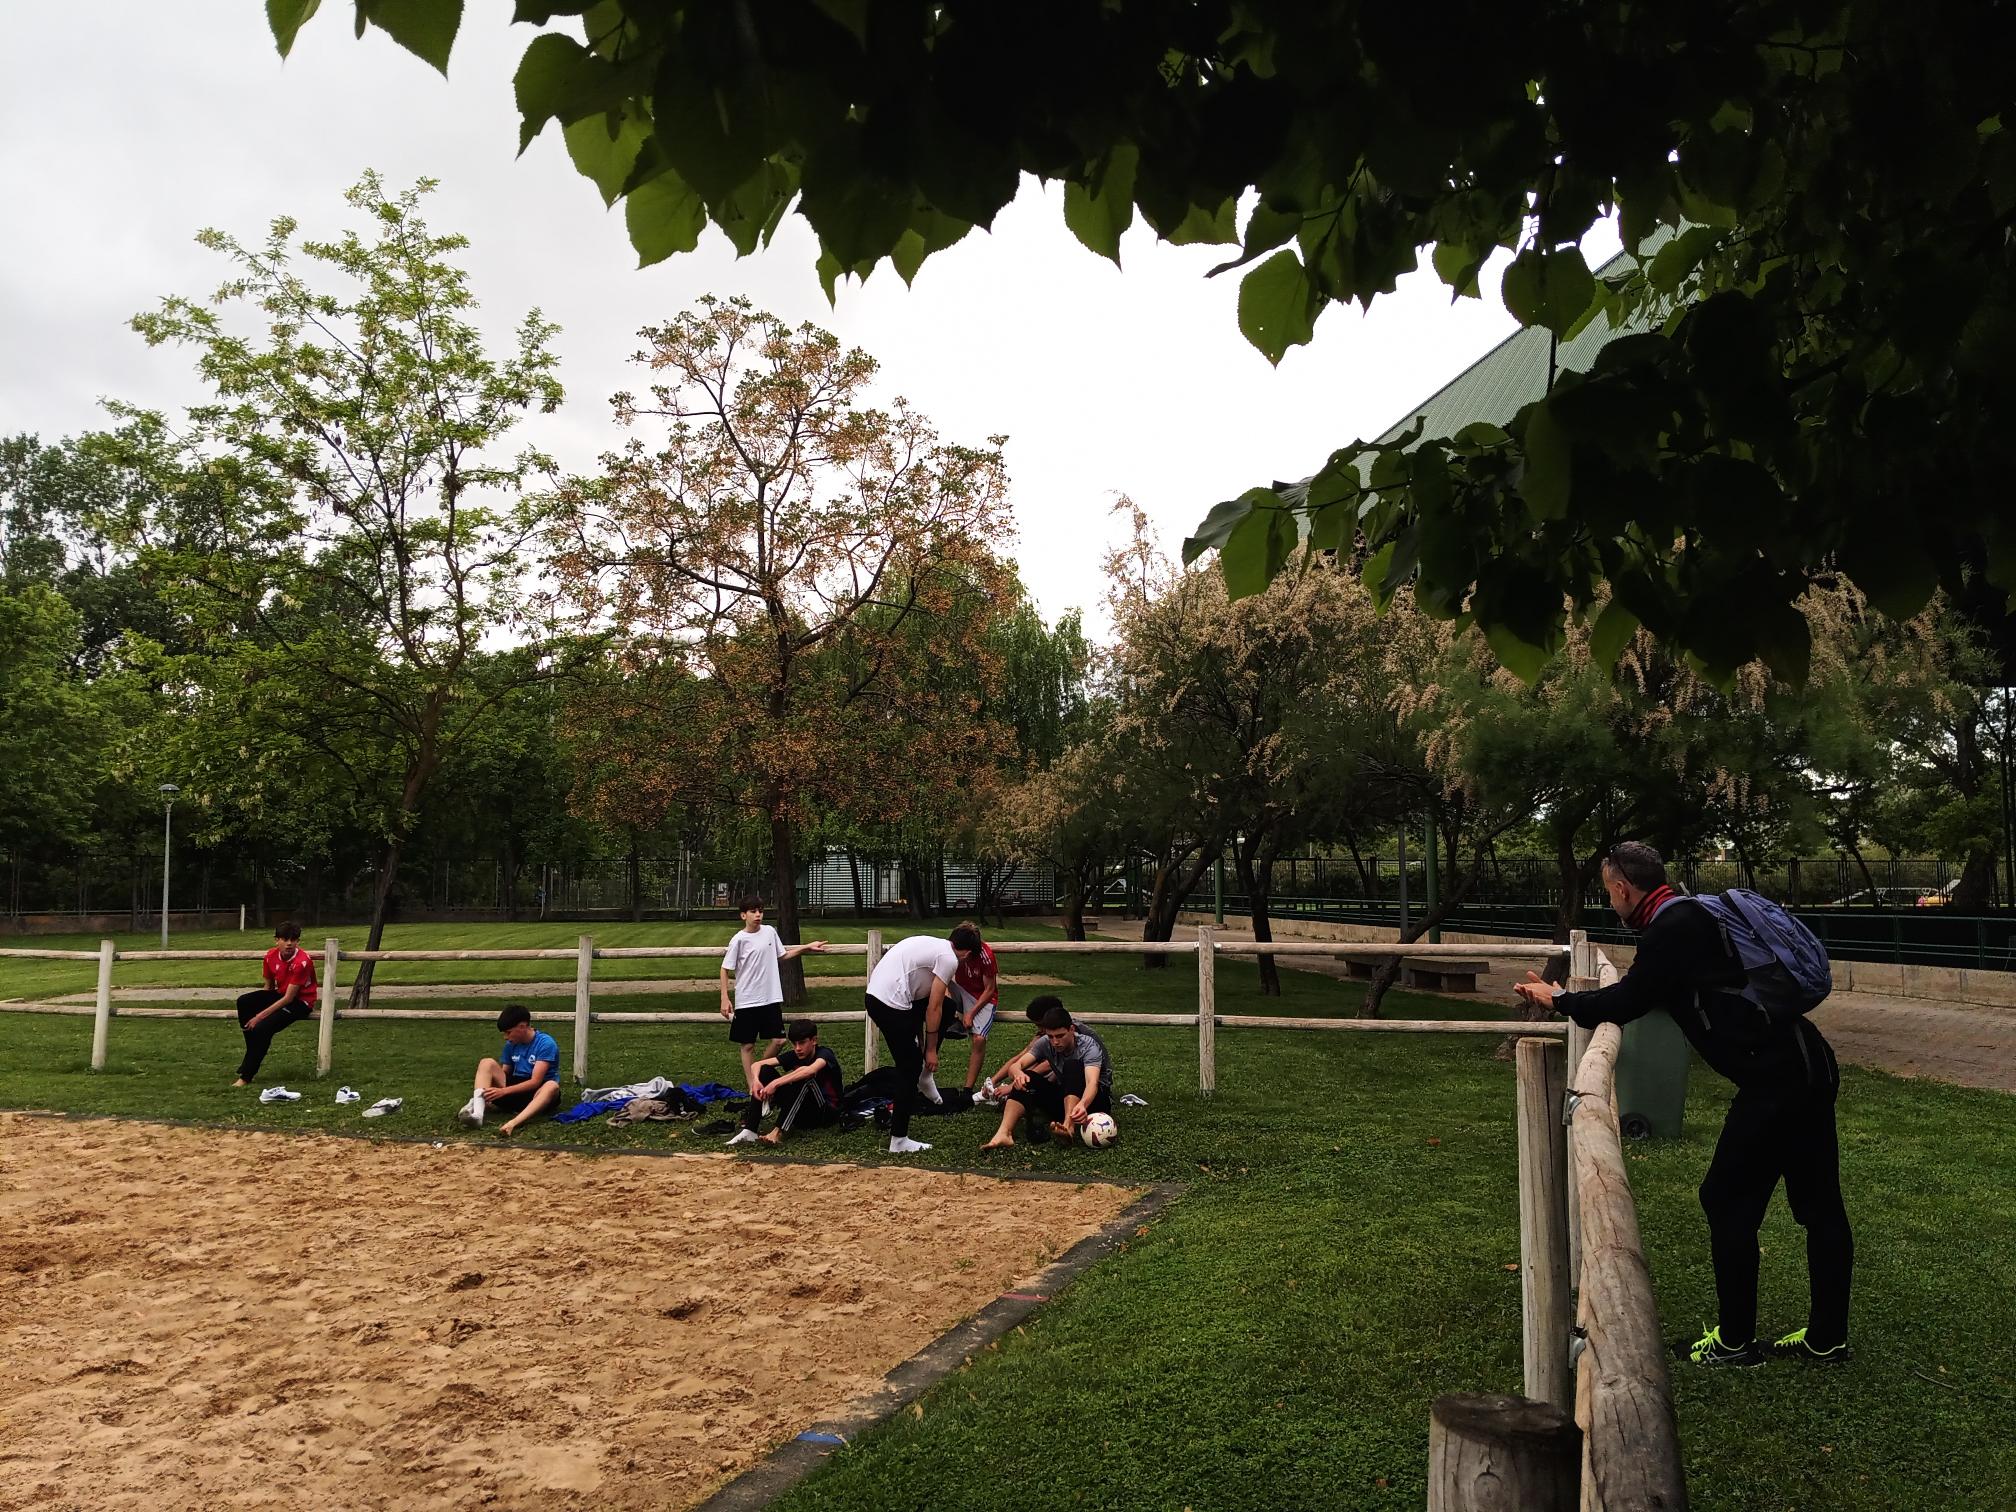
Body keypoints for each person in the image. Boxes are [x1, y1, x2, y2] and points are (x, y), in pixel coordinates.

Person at [1514, 841, 1853, 1368]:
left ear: (1622, 888)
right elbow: (1658, 993)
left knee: (1726, 1199)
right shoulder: (1690, 915)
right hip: (1806, 1068)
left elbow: (1627, 1000)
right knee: (1818, 1207)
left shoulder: (1672, 928)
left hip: (1777, 1082)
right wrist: (1571, 999)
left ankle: (1736, 1343)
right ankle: (1826, 1339)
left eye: (1609, 893)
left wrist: (1557, 1000)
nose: (1611, 902)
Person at [862, 925, 980, 1155]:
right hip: (887, 1004)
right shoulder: (949, 959)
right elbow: (933, 1007)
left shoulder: (936, 945)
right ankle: (899, 1139)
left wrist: (922, 1044)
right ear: (967, 953)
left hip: (881, 996)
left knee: (949, 1006)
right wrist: (930, 1051)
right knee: (909, 1068)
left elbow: (921, 1001)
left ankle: (925, 1076)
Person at [719, 895, 830, 1086]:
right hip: (747, 999)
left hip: (770, 998)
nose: (758, 915)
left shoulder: (770, 932)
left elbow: (783, 955)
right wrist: (724, 997)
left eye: (760, 911)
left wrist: (807, 947)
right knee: (748, 1045)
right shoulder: (739, 940)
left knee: (779, 1040)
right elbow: (725, 968)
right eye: (753, 911)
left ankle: (759, 1073)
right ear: (743, 915)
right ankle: (752, 1087)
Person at [982, 1002, 1114, 1150]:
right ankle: (1004, 1133)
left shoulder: (1088, 1045)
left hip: (1094, 1102)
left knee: (1072, 1066)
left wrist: (1083, 1104)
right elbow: (1016, 1065)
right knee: (1027, 1077)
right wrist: (1018, 1074)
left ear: (1071, 1029)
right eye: (1051, 1036)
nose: (1055, 1042)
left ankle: (1068, 1127)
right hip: (1066, 1099)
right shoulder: (1045, 1042)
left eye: (1060, 1036)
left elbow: (1092, 1083)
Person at [727, 1018, 845, 1147]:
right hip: (801, 1113)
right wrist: (756, 1081)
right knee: (765, 1070)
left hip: (825, 1113)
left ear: (814, 1040)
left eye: (802, 1043)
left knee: (803, 1076)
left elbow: (809, 1071)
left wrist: (775, 1083)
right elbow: (757, 1065)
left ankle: (778, 1132)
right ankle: (750, 1130)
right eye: (794, 1044)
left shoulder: (825, 1054)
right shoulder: (795, 1055)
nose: (797, 1048)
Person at [232, 921, 318, 1086]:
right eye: (285, 939)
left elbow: (289, 998)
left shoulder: (302, 962)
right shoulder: (270, 956)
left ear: (298, 941)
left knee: (262, 1028)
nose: (289, 943)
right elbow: (269, 988)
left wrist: (259, 1017)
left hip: (300, 1002)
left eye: (293, 940)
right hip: (280, 995)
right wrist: (260, 1007)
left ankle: (246, 1076)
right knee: (244, 1001)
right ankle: (252, 1051)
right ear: (276, 940)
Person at [459, 1005, 562, 1137]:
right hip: (515, 1089)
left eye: (508, 1032)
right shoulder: (511, 1044)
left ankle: (513, 1123)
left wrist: (503, 1091)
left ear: (522, 1026)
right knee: (486, 1062)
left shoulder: (545, 1043)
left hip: (537, 1093)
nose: (505, 1037)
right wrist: (495, 1089)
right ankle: (478, 1114)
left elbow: (535, 1082)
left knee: (552, 1086)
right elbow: (505, 1073)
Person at [940, 917, 1000, 1093]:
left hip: (982, 996)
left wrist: (971, 1013)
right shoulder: (947, 951)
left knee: (979, 1039)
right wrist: (949, 1003)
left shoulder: (986, 955)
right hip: (960, 989)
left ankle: (967, 1090)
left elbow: (990, 989)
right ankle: (952, 1020)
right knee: (936, 983)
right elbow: (941, 979)